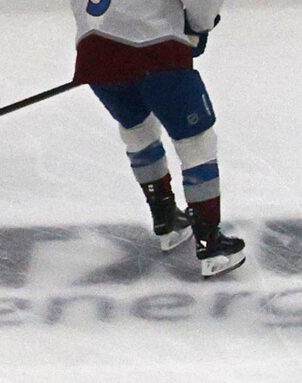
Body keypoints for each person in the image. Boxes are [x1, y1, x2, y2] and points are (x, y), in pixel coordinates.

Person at [72, 0, 243, 277]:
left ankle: (166, 219)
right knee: (196, 143)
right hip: (153, 48)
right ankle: (210, 244)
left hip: (93, 54)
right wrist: (198, 26)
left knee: (137, 129)